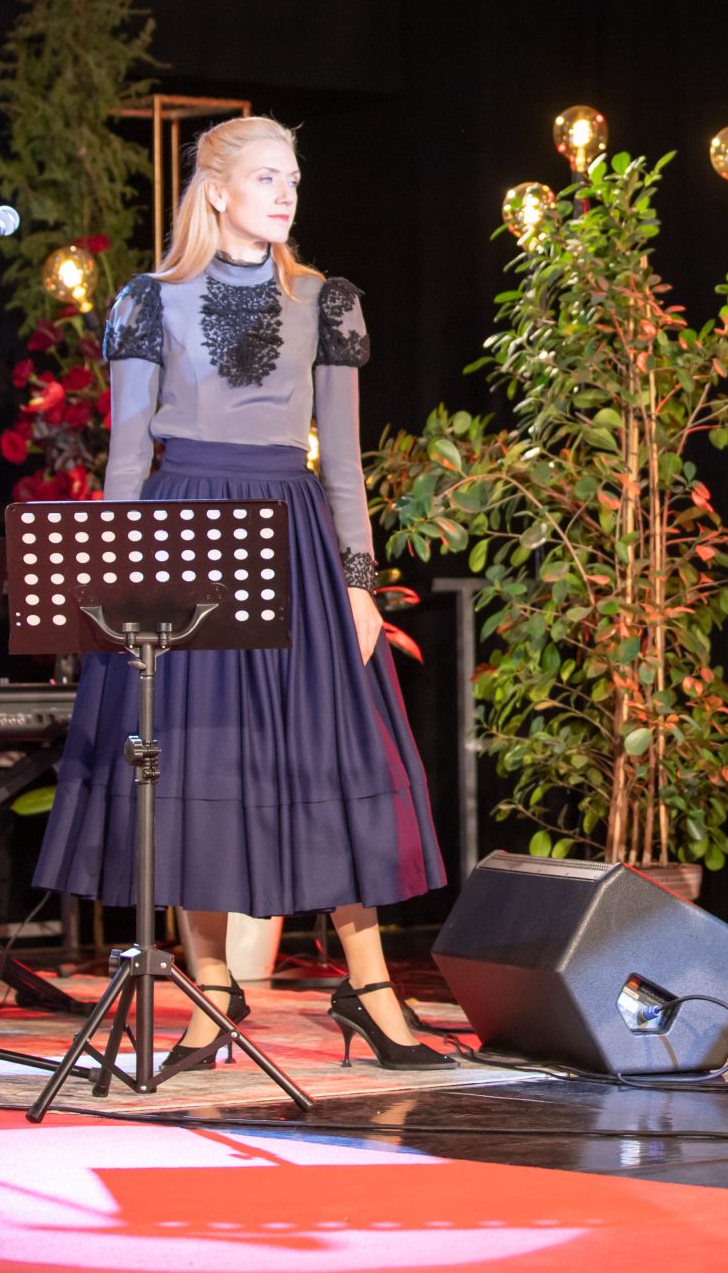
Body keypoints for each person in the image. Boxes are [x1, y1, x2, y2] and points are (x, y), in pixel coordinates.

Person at [31, 115, 450, 1073]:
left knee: (327, 753)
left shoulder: (325, 300)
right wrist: (114, 584)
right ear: (216, 189)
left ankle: (371, 991)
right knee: (191, 759)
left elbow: (342, 465)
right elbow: (126, 461)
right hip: (184, 531)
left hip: (295, 538)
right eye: (266, 176)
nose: (286, 192)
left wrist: (359, 586)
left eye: (293, 177)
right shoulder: (148, 301)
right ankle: (210, 991)